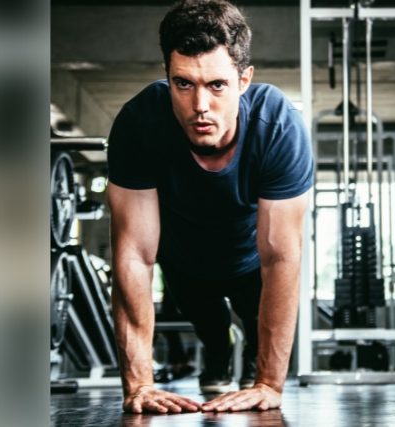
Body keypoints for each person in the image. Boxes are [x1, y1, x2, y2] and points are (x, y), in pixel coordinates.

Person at [107, 0, 312, 414]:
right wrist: (138, 385)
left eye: (217, 85)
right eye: (183, 84)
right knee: (211, 329)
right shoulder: (140, 123)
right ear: (167, 76)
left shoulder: (277, 127)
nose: (200, 105)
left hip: (250, 259)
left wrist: (269, 384)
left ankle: (252, 364)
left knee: (257, 334)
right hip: (183, 259)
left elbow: (281, 258)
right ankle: (218, 354)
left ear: (244, 80)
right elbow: (133, 255)